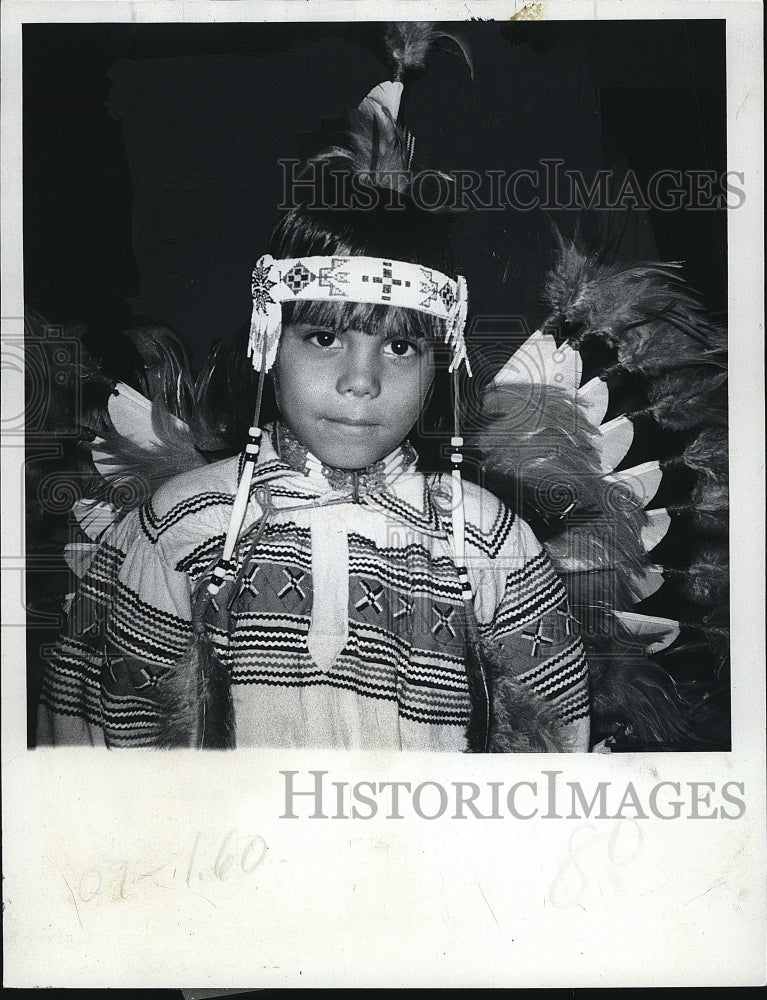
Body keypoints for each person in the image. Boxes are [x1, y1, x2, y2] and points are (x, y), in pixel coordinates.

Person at [37, 69, 591, 753]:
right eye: (324, 337)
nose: (360, 380)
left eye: (399, 345)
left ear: (440, 361)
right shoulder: (178, 527)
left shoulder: (490, 543)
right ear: (269, 339)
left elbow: (552, 752)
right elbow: (92, 736)